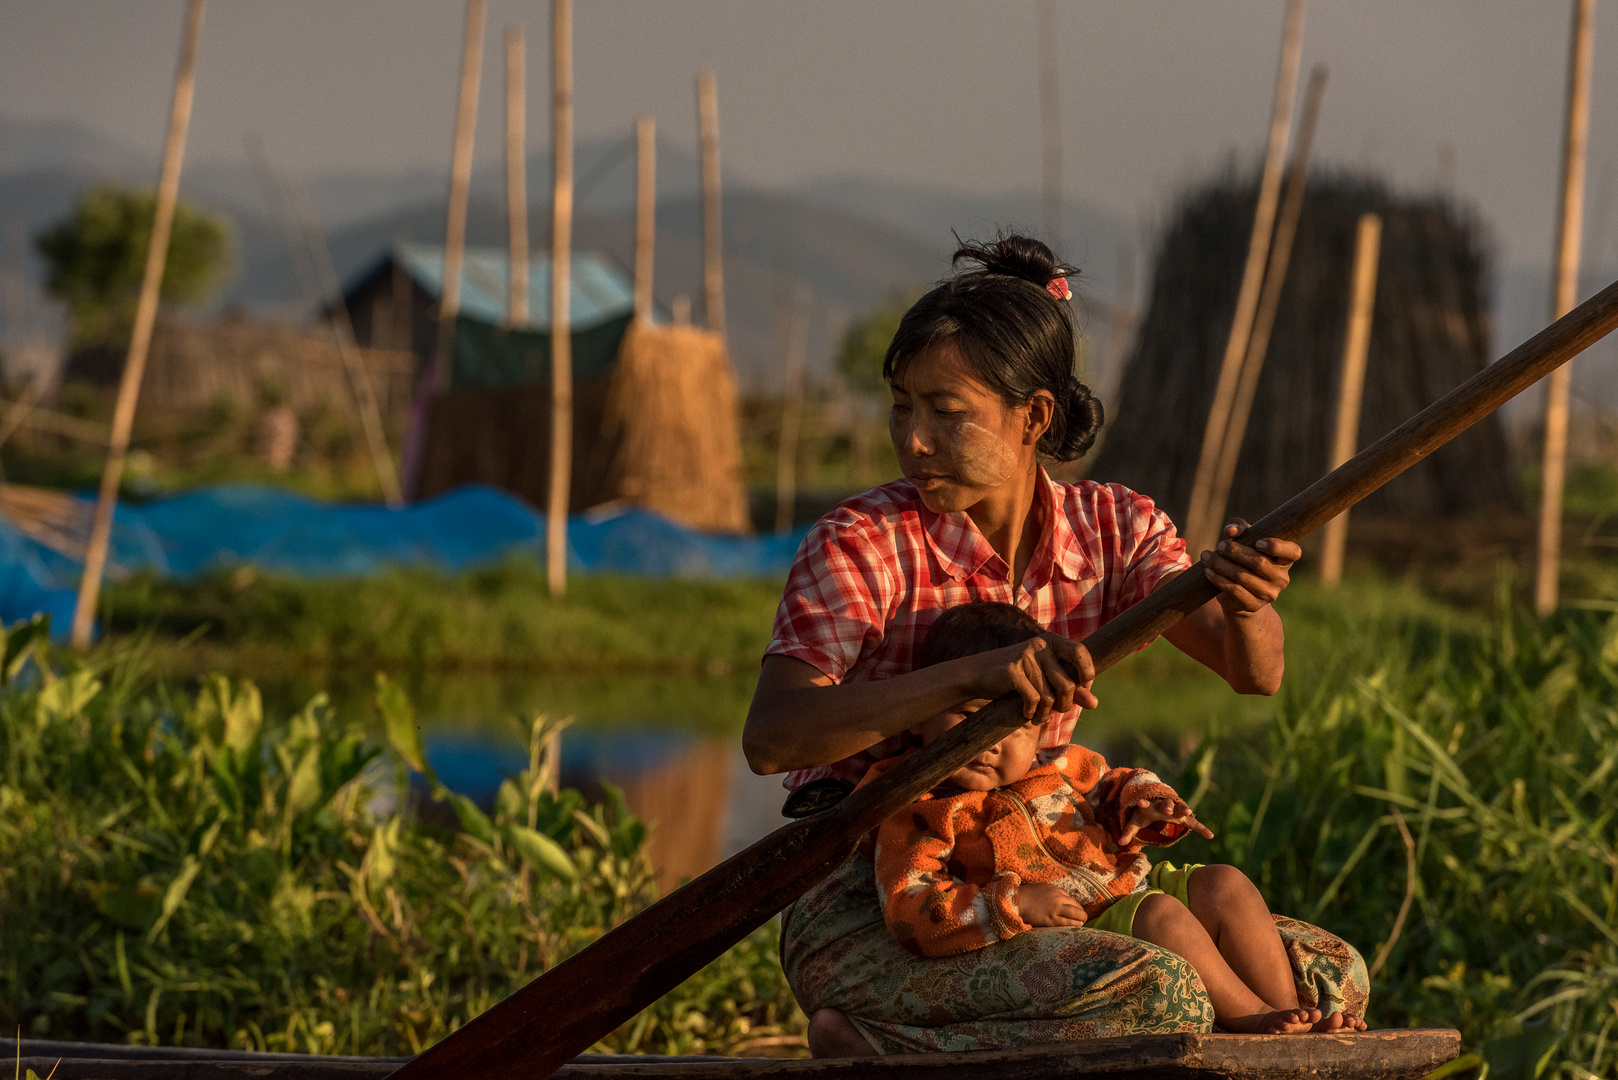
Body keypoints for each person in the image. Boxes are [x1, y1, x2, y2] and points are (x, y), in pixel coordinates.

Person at [743, 233, 1369, 1057]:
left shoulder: (1115, 527)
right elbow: (773, 737)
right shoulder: (861, 540)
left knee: (1333, 971)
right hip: (888, 899)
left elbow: (1255, 673)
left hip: (1045, 870)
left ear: (1033, 416)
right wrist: (973, 676)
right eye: (903, 406)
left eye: (947, 413)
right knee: (1160, 989)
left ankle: (903, 1043)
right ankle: (872, 1036)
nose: (914, 438)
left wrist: (1252, 602)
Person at [866, 601, 1365, 1036]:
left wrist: (1150, 804)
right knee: (1162, 916)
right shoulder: (919, 804)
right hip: (1087, 930)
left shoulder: (1057, 764)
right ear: (922, 712)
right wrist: (1013, 903)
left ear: (1040, 730)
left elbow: (1116, 783)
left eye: (1012, 727)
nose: (989, 743)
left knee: (1225, 884)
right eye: (966, 717)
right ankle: (1254, 1019)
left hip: (1127, 887)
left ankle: (1291, 1014)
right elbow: (912, 908)